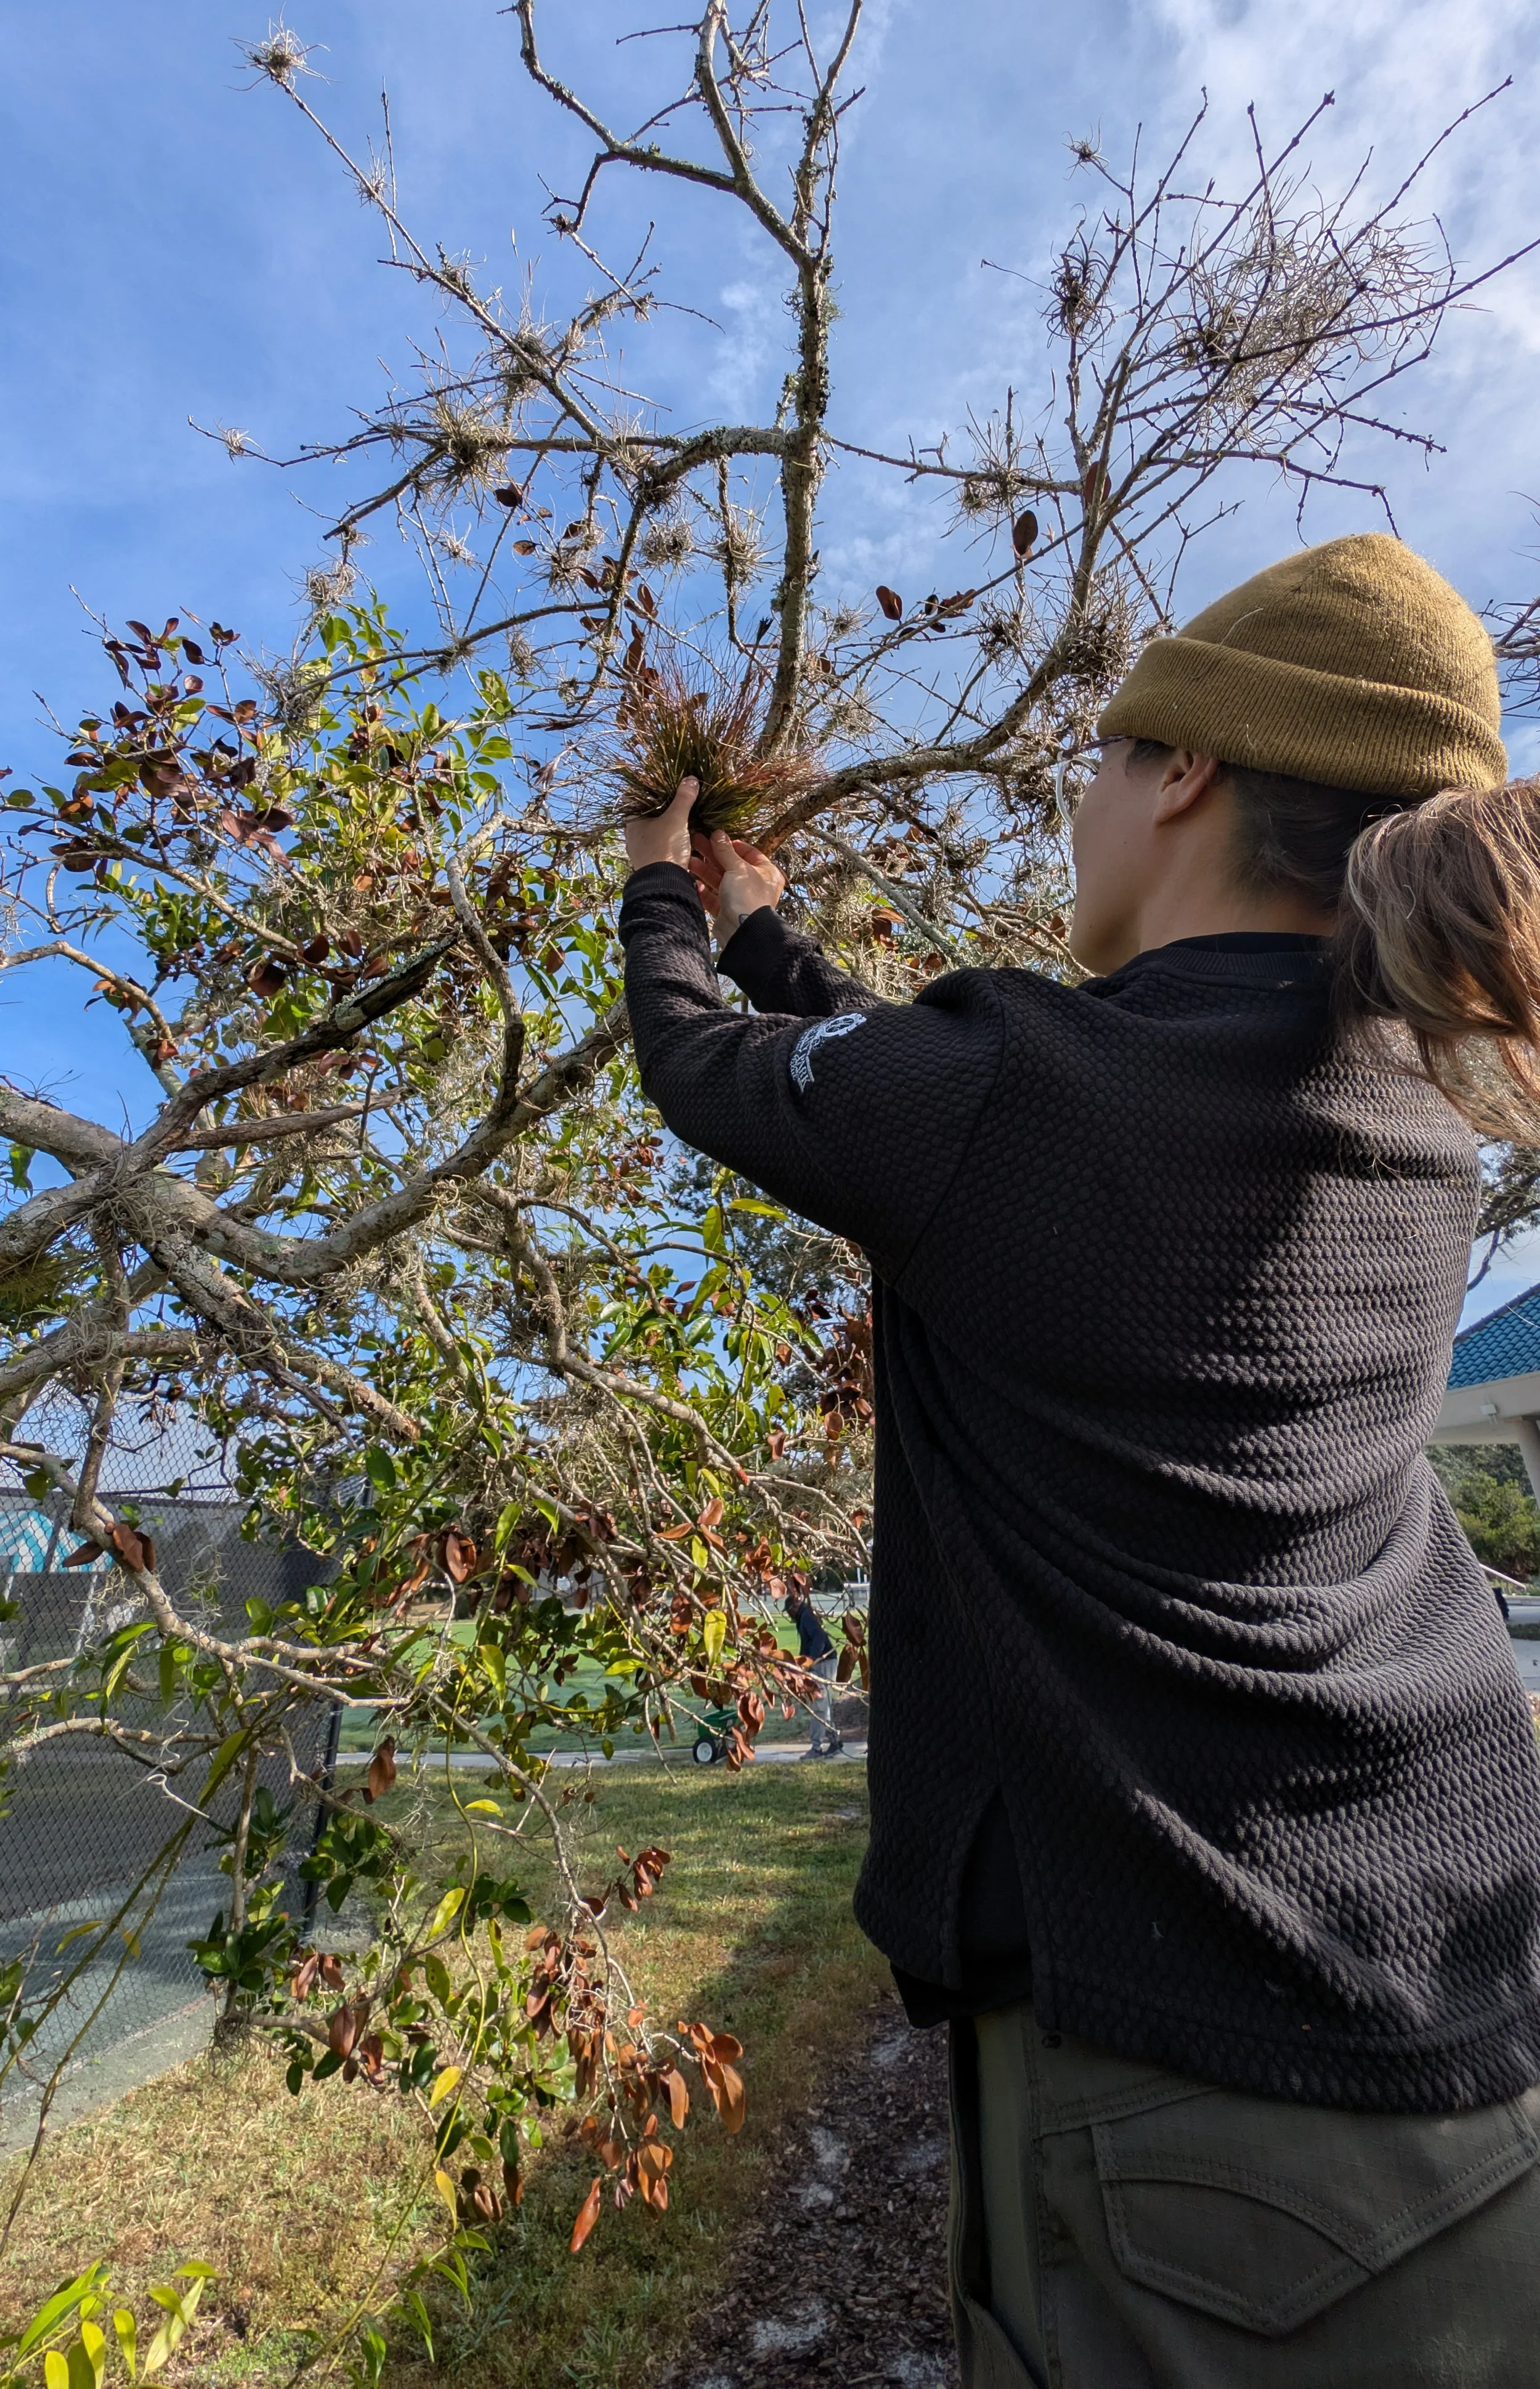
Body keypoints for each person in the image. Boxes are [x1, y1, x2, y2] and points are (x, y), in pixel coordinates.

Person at [617, 533, 1540, 2386]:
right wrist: (772, 916)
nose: (1080, 803)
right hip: (1468, 1998)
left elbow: (712, 1065)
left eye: (1101, 759)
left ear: (1180, 769)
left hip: (1194, 2108)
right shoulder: (1409, 1125)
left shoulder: (1021, 1089)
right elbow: (949, 1088)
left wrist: (661, 896)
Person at [784, 1577, 843, 1758]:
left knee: (819, 1705)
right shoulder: (805, 1616)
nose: (789, 1616)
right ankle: (835, 1742)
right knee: (823, 1705)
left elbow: (818, 1638)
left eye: (789, 1612)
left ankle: (816, 1749)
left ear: (795, 1607)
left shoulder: (806, 1616)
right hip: (826, 1661)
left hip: (823, 1663)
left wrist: (811, 1661)